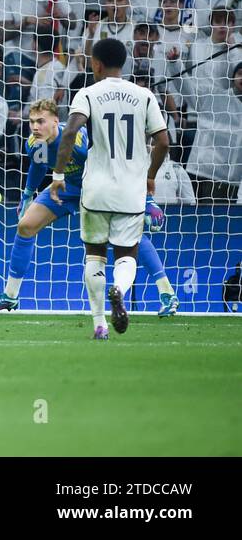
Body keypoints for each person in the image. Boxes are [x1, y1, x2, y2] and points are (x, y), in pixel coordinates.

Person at [0, 98, 178, 316]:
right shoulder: (34, 143)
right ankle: (10, 296)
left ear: (56, 121)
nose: (35, 127)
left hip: (96, 189)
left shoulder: (78, 142)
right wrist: (27, 195)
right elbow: (38, 166)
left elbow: (117, 163)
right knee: (25, 226)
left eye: (41, 122)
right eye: (32, 122)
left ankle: (167, 293)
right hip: (65, 188)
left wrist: (146, 200)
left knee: (129, 237)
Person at [51, 38, 171, 340]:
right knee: (127, 254)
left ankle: (100, 324)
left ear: (96, 64)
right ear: (124, 64)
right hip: (131, 191)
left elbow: (69, 132)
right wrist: (150, 175)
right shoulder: (143, 95)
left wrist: (57, 174)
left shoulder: (88, 93)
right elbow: (164, 142)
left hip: (96, 189)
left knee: (94, 255)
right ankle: (120, 288)